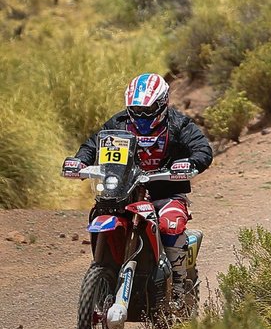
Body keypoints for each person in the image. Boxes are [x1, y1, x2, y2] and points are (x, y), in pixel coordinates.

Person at [62, 73, 213, 303]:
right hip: (124, 193)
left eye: (147, 109)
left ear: (162, 104)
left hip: (166, 192)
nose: (141, 115)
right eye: (136, 108)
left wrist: (190, 163)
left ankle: (179, 288)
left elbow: (202, 148)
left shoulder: (178, 124)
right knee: (100, 213)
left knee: (170, 224)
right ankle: (106, 271)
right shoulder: (119, 123)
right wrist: (81, 160)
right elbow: (94, 143)